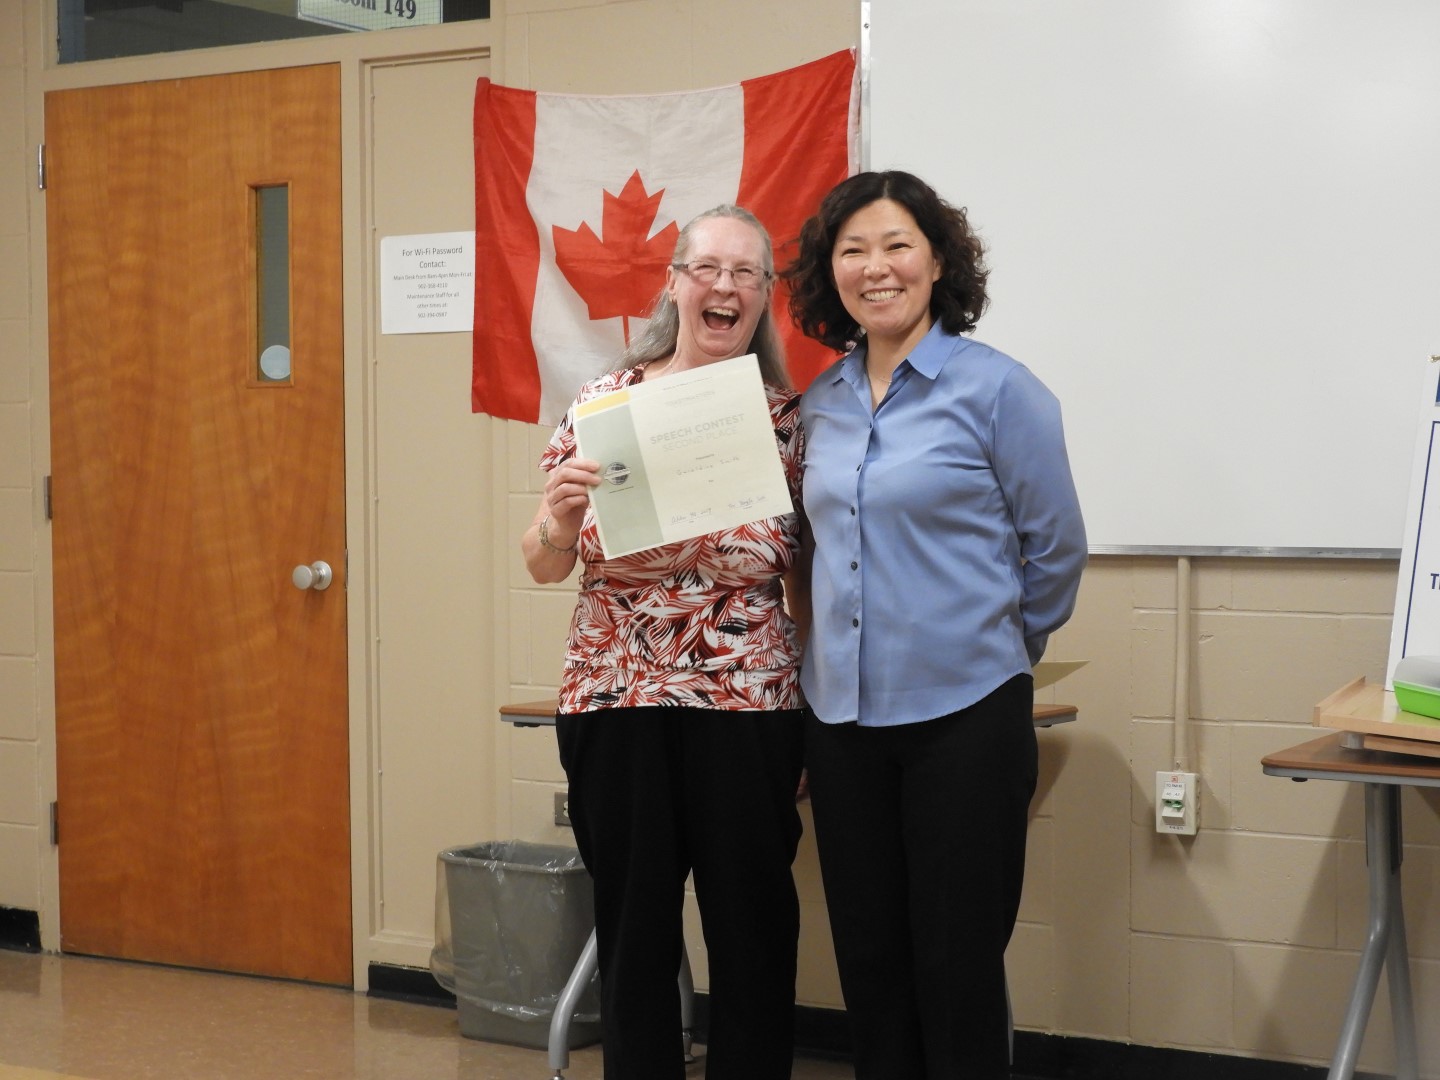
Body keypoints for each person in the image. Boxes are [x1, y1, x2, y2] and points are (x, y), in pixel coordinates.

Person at [783, 170, 1087, 1080]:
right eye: (852, 251)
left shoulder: (999, 390)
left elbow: (1057, 551)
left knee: (955, 966)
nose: (876, 269)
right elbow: (807, 549)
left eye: (896, 245)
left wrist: (997, 646)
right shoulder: (819, 405)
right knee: (870, 964)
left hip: (967, 716)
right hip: (841, 724)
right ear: (829, 274)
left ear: (938, 260)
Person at [522, 204, 807, 1080]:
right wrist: (561, 520)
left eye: (746, 273)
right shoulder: (605, 405)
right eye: (707, 269)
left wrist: (816, 704)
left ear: (764, 296)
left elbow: (805, 576)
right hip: (619, 702)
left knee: (754, 929)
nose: (724, 286)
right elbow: (542, 562)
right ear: (674, 284)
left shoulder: (792, 423)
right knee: (635, 928)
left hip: (746, 705)